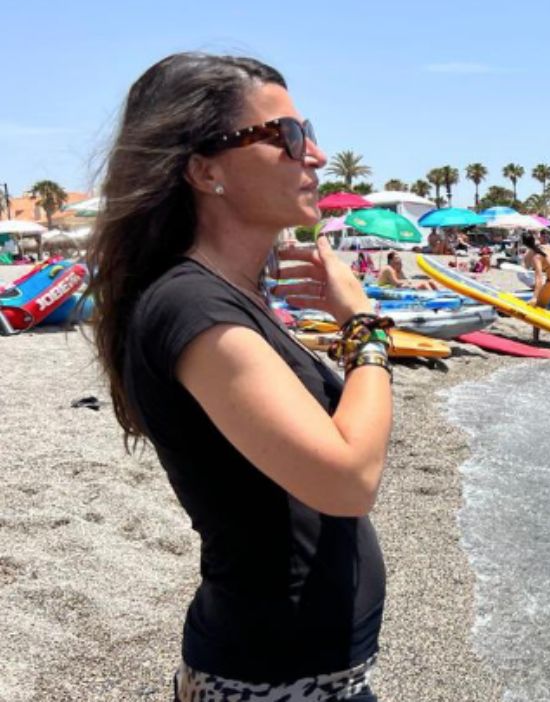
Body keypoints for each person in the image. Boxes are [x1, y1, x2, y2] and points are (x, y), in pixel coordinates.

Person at [84, 53, 388, 699]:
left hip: (309, 673)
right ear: (204, 169)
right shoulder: (192, 307)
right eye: (288, 136)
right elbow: (346, 478)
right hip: (268, 682)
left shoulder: (231, 297)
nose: (317, 155)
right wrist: (366, 328)